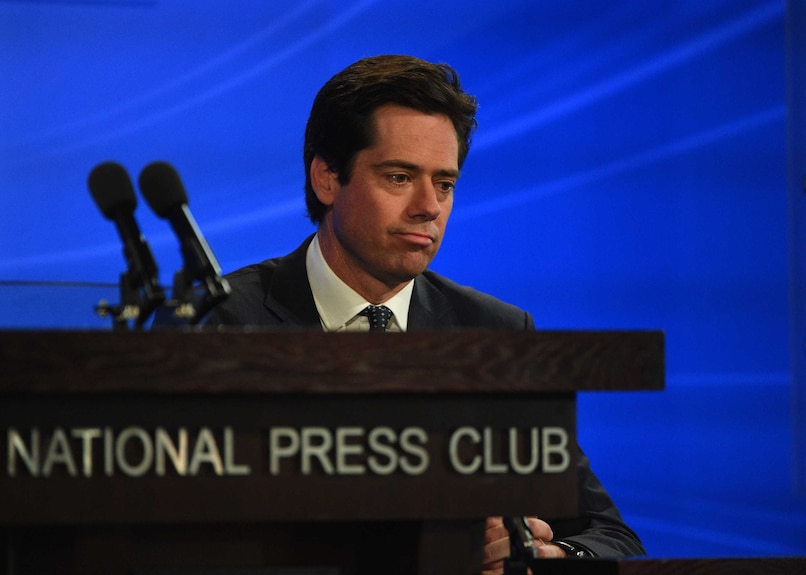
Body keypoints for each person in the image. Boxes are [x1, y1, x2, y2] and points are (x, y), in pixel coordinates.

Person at [204, 54, 645, 572]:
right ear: (326, 177)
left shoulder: (496, 335)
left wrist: (548, 556)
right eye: (399, 177)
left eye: (445, 183)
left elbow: (611, 536)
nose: (428, 206)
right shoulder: (222, 323)